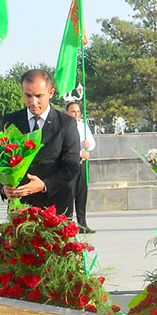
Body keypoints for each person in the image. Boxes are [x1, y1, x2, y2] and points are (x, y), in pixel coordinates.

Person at [0, 69, 80, 215]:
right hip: (20, 208)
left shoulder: (66, 123)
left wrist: (44, 185)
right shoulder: (10, 122)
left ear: (51, 93)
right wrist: (4, 187)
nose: (33, 102)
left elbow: (71, 166)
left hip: (55, 207)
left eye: (38, 96)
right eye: (27, 95)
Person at [64, 100, 96, 233]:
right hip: (69, 165)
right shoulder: (63, 127)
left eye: (78, 112)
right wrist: (78, 153)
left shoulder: (83, 126)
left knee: (82, 194)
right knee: (69, 195)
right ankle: (68, 224)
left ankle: (82, 224)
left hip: (82, 165)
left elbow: (93, 143)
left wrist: (89, 146)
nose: (76, 114)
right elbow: (63, 148)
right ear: (67, 113)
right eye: (73, 112)